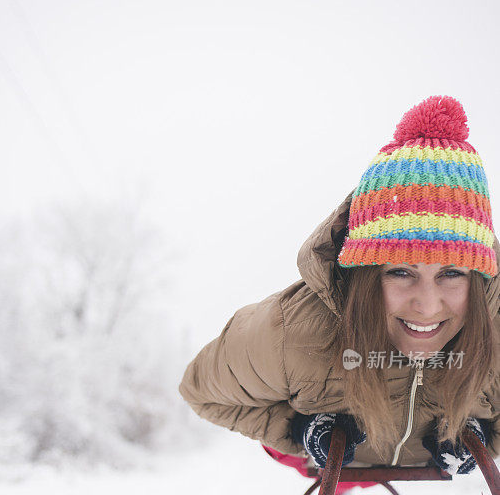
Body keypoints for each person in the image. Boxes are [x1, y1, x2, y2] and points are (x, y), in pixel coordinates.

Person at [179, 96, 500, 475]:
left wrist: (488, 436)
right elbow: (201, 393)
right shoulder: (288, 333)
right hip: (334, 463)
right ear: (365, 273)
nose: (428, 306)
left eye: (452, 274)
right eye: (400, 272)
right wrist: (298, 432)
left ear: (479, 278)